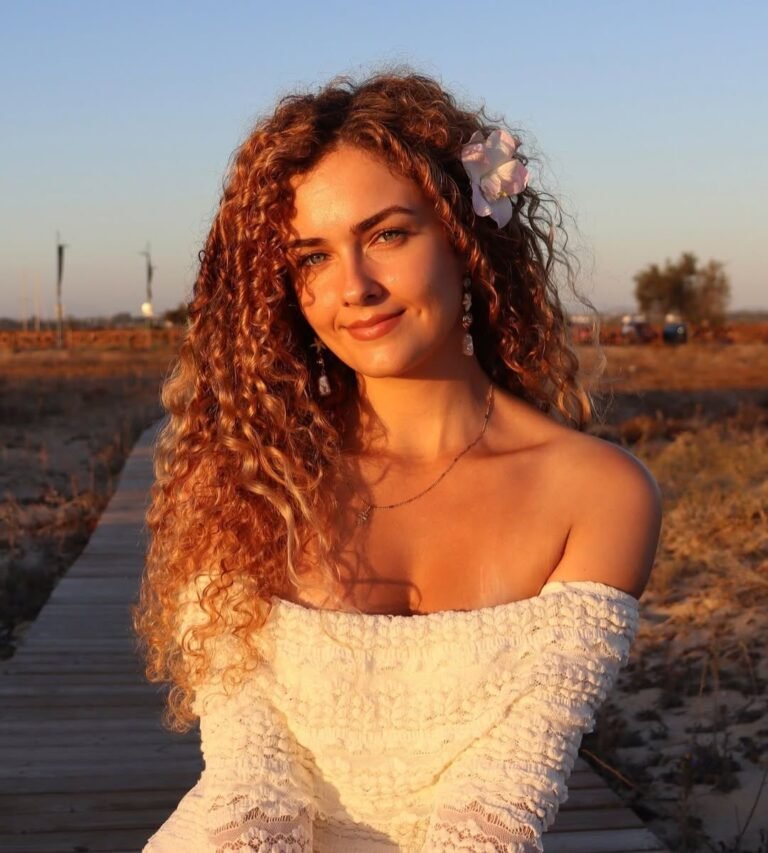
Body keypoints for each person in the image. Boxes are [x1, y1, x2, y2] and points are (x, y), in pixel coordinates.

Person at [134, 70, 662, 852]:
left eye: (387, 234)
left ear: (463, 234)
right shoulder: (246, 476)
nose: (355, 287)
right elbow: (253, 782)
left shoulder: (600, 494)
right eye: (311, 257)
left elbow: (502, 796)